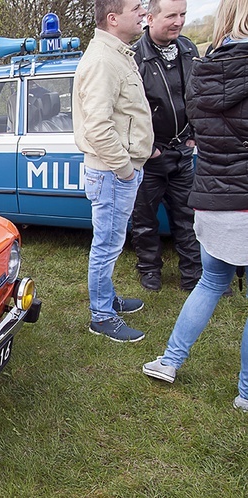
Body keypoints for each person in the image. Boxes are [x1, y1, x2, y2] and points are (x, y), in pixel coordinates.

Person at [142, 0, 248, 411]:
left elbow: (197, 128)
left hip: (212, 197)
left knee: (210, 281)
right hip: (238, 196)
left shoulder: (203, 69)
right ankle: (245, 393)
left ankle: (169, 360)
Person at [72, 0, 154, 342]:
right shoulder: (103, 60)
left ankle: (108, 299)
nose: (143, 13)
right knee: (106, 245)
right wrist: (124, 170)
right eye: (136, 7)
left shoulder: (118, 54)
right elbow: (98, 127)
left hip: (117, 171)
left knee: (112, 243)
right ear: (113, 17)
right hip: (111, 172)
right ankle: (101, 316)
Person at [130, 0, 202, 292]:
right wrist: (148, 149)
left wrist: (194, 134)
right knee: (145, 220)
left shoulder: (188, 49)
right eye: (171, 15)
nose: (179, 21)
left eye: (183, 14)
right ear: (150, 17)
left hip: (183, 151)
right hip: (150, 154)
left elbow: (198, 95)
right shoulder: (134, 57)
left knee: (188, 217)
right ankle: (149, 271)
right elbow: (127, 111)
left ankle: (194, 276)